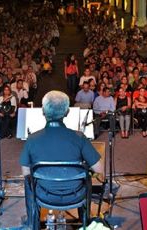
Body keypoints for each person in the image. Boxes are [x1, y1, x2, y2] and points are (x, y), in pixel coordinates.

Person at [19, 91, 103, 229]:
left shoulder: (32, 139)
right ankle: (85, 221)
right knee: (87, 177)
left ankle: (32, 223)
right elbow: (99, 169)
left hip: (44, 195)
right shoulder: (79, 137)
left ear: (43, 112)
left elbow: (25, 172)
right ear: (67, 112)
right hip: (76, 195)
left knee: (28, 182)